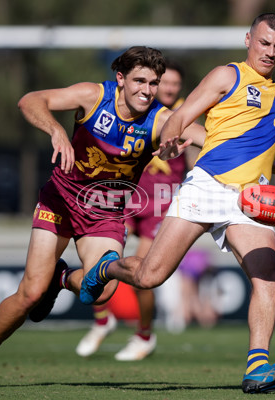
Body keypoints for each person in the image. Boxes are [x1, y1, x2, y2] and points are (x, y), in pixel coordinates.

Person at [79, 13, 275, 395]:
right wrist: (173, 139)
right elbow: (180, 115)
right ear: (248, 39)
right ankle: (107, 269)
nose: (270, 52)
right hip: (207, 187)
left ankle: (257, 368)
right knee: (149, 276)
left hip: (250, 201)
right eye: (264, 43)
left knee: (268, 278)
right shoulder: (228, 76)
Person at [0, 46, 207, 387]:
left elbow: (210, 140)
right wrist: (56, 130)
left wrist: (256, 165)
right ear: (120, 79)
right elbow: (30, 101)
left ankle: (61, 280)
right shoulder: (93, 97)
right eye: (139, 81)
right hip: (60, 202)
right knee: (30, 294)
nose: (147, 90)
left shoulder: (163, 119)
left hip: (105, 213)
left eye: (153, 83)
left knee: (104, 292)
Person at [75, 61, 189, 361]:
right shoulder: (134, 108)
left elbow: (200, 148)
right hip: (127, 197)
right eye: (165, 83)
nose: (168, 88)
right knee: (96, 260)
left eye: (174, 84)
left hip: (160, 204)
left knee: (142, 270)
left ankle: (144, 335)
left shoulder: (180, 116)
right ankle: (103, 320)